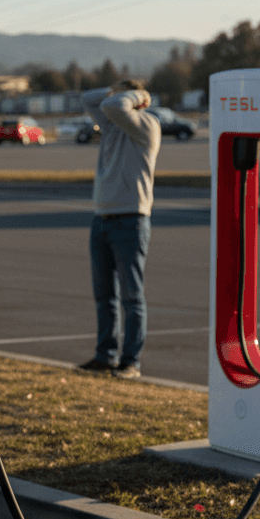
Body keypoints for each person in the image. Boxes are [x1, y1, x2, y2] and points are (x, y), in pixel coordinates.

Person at [77, 79, 161, 379]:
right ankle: (105, 356)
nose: (113, 99)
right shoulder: (111, 125)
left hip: (131, 219)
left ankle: (130, 362)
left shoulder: (147, 125)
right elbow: (89, 98)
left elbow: (112, 105)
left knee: (131, 297)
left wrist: (139, 94)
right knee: (104, 296)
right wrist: (113, 90)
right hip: (102, 219)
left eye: (121, 94)